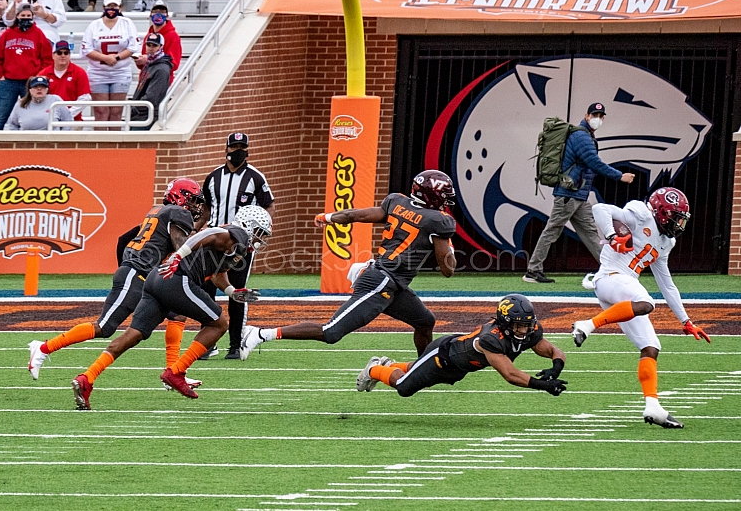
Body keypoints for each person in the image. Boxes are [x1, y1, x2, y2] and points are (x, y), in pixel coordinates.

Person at [241, 170, 457, 360]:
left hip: (391, 281)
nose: (446, 200)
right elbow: (448, 270)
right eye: (444, 195)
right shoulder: (438, 221)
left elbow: (356, 215)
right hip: (381, 282)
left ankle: (423, 367)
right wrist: (447, 243)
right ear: (432, 195)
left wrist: (328, 217)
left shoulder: (397, 202)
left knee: (425, 321)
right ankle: (261, 334)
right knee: (330, 332)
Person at [71, 205, 271, 410]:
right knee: (219, 324)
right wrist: (178, 256)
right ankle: (177, 372)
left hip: (157, 278)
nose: (260, 238)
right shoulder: (234, 234)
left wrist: (232, 292)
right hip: (176, 278)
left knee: (134, 334)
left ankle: (87, 378)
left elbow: (218, 273)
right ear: (248, 225)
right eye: (259, 232)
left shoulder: (234, 245)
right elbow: (208, 234)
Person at [28, 178, 203, 381]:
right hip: (136, 274)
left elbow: (123, 239)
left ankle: (173, 372)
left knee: (177, 314)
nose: (195, 205)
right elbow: (183, 249)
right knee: (104, 327)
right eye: (192, 199)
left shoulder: (158, 212)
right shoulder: (179, 213)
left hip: (144, 275)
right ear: (181, 197)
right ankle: (43, 348)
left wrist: (126, 265)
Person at [571, 187, 710, 429]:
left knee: (651, 346)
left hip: (624, 291)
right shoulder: (641, 215)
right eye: (676, 217)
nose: (679, 224)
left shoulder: (666, 242)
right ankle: (587, 324)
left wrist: (686, 321)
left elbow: (667, 284)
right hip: (610, 277)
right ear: (662, 213)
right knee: (647, 303)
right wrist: (612, 236)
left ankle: (653, 406)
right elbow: (599, 209)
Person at [356, 294, 568, 400]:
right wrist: (544, 386)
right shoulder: (491, 339)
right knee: (405, 387)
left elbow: (553, 351)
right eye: (519, 325)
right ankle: (374, 369)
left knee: (417, 374)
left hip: (459, 366)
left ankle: (389, 365)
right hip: (442, 356)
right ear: (505, 323)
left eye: (527, 324)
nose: (524, 330)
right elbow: (510, 374)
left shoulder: (528, 330)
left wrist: (555, 368)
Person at [523, 102, 636, 284]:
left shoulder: (585, 135)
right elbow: (593, 162)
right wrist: (619, 176)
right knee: (552, 231)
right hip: (569, 194)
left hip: (577, 194)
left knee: (590, 232)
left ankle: (610, 270)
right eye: (594, 115)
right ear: (586, 116)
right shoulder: (581, 136)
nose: (597, 119)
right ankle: (533, 270)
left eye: (600, 116)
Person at [192, 133, 276, 359]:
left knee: (237, 291)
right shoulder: (213, 177)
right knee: (206, 291)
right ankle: (208, 344)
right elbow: (207, 209)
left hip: (241, 242)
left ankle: (236, 344)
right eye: (234, 146)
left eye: (242, 146)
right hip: (214, 242)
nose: (238, 150)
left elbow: (268, 207)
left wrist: (259, 235)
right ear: (226, 149)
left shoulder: (255, 177)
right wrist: (196, 228)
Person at [0, 3, 53, 130]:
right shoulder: (8, 34)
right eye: (23, 15)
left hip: (30, 83)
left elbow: (47, 58)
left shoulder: (38, 34)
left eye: (29, 16)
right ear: (17, 16)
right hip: (8, 82)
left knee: (32, 116)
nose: (26, 18)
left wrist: (39, 77)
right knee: (0, 117)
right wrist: (0, 74)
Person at [81, 0, 140, 129]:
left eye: (115, 6)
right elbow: (86, 49)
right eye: (109, 6)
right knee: (100, 112)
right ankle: (100, 141)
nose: (112, 9)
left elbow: (133, 46)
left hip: (120, 72)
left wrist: (117, 57)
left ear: (120, 7)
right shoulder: (94, 25)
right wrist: (104, 58)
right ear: (103, 8)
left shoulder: (127, 23)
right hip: (98, 73)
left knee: (116, 112)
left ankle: (115, 141)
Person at [39, 40, 91, 122]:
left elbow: (85, 98)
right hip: (48, 120)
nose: (63, 55)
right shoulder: (43, 74)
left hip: (73, 120)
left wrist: (67, 115)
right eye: (59, 53)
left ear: (69, 55)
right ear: (53, 55)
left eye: (66, 53)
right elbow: (38, 97)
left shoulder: (80, 73)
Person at [129, 32, 171, 130]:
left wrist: (136, 107)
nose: (151, 48)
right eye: (148, 45)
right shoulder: (150, 64)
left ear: (161, 46)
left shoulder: (161, 69)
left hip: (147, 117)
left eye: (154, 45)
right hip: (141, 115)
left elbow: (152, 96)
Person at [135, 0, 181, 83]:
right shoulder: (148, 36)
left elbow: (173, 63)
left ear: (167, 15)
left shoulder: (173, 36)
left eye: (162, 12)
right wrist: (140, 61)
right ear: (150, 14)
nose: (158, 14)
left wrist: (149, 59)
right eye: (155, 11)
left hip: (161, 80)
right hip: (145, 80)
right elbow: (143, 65)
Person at [5, 74, 72, 130]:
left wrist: (61, 138)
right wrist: (18, 139)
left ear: (47, 89)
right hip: (27, 140)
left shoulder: (55, 101)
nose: (39, 89)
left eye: (42, 87)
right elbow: (12, 124)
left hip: (51, 140)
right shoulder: (21, 104)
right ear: (30, 90)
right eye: (35, 87)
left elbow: (68, 120)